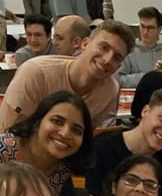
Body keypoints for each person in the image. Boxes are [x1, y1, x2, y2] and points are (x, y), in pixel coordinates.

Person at [0, 20, 134, 131]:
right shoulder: (35, 73)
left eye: (117, 57)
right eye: (103, 47)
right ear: (85, 44)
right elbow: (9, 134)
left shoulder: (109, 90)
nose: (107, 59)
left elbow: (86, 138)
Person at [0, 91, 94, 194]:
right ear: (37, 123)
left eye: (76, 130)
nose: (65, 134)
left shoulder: (68, 173)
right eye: (57, 121)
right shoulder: (3, 149)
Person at [118, 6, 162, 89]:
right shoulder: (128, 51)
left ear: (159, 29)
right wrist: (149, 77)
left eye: (150, 28)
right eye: (142, 26)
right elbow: (120, 80)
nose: (145, 32)